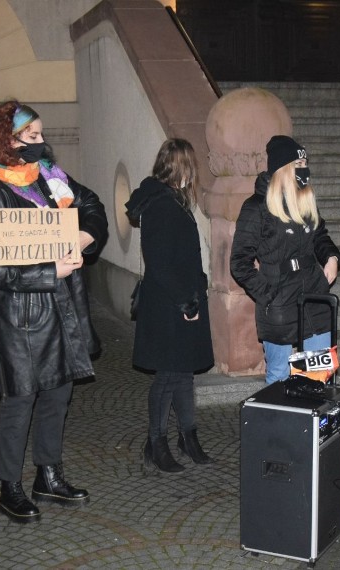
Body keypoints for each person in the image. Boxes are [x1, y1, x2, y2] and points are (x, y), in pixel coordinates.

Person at [0, 101, 108, 522]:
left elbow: (92, 204)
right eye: (33, 137)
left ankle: (48, 473)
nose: (42, 144)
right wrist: (50, 270)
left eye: (42, 135)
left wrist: (83, 237)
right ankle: (10, 486)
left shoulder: (49, 180)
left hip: (59, 310)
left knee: (58, 392)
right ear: (7, 142)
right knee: (20, 400)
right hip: (17, 318)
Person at [125, 138, 215, 473]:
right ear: (183, 169)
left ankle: (187, 437)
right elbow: (160, 264)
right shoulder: (162, 205)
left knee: (183, 373)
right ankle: (156, 443)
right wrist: (186, 302)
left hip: (180, 300)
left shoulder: (171, 201)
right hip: (169, 304)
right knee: (167, 376)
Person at [230, 135, 340, 385]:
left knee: (317, 376)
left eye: (305, 164)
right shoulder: (257, 207)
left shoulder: (304, 199)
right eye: (299, 166)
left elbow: (320, 235)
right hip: (279, 302)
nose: (305, 171)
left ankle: (310, 423)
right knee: (279, 377)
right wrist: (268, 294)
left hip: (314, 297)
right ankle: (279, 424)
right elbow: (239, 261)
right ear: (283, 169)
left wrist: (332, 257)